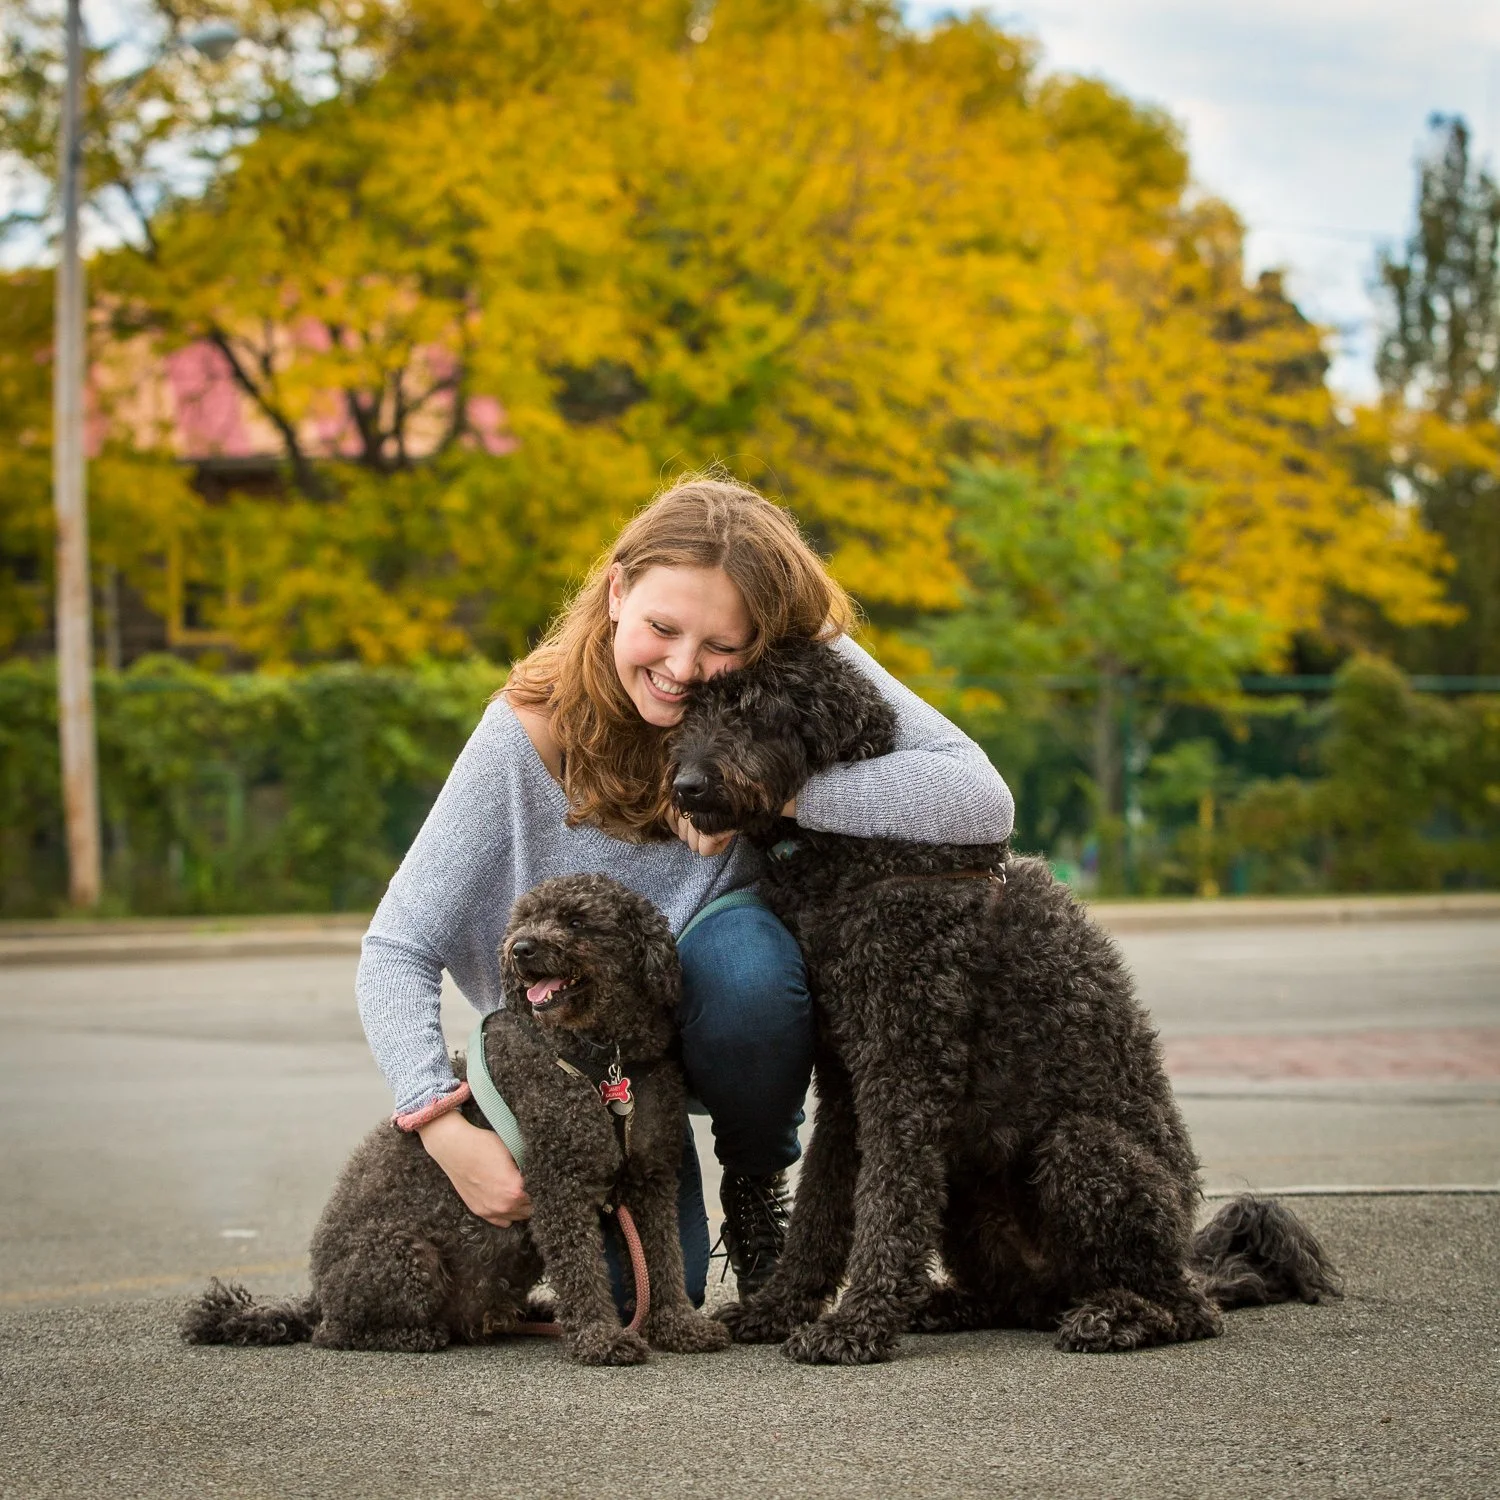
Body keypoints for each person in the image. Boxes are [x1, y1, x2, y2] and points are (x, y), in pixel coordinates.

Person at [355, 474, 1014, 1305]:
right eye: (662, 628)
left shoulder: (785, 662)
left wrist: (769, 792)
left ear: (764, 639)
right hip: (589, 1066)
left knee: (747, 964)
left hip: (727, 1014)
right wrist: (439, 1121)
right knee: (646, 1306)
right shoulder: (525, 732)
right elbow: (395, 949)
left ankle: (754, 1178)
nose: (682, 667)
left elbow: (981, 798)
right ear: (618, 589)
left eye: (720, 648)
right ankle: (661, 1181)